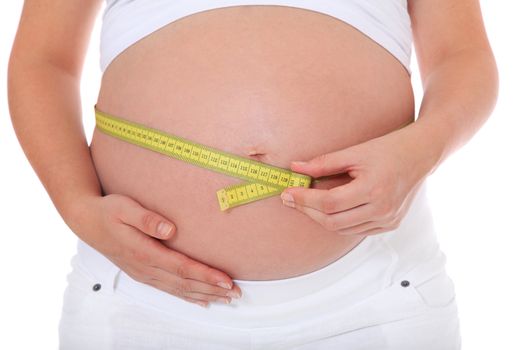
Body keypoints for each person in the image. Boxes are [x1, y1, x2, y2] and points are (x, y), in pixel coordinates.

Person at [7, 0, 498, 349]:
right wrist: (75, 205)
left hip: (373, 295)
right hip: (138, 299)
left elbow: (463, 56)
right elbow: (42, 60)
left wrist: (424, 149)